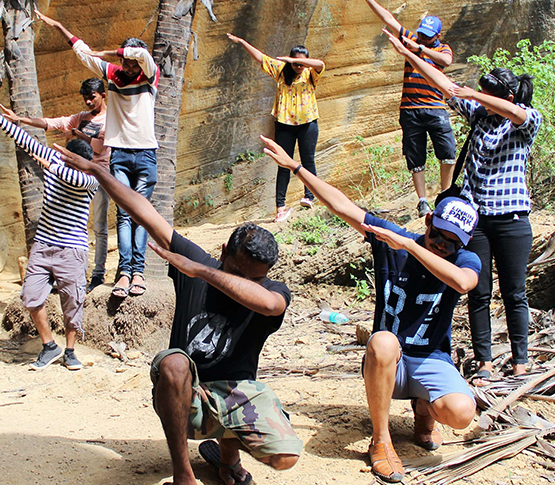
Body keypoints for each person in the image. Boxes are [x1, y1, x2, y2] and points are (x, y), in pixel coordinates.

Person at [53, 143, 302, 485]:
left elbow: (271, 306)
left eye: (252, 278)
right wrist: (99, 172)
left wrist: (202, 271)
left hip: (232, 395)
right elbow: (144, 211)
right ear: (224, 250)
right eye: (235, 270)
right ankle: (183, 474)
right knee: (174, 363)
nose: (239, 283)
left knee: (284, 457)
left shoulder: (270, 291)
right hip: (185, 393)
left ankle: (227, 459)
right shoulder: (195, 259)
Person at [262, 135, 480, 483]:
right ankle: (381, 441)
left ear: (464, 244)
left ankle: (424, 411)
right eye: (437, 235)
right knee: (382, 341)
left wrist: (411, 245)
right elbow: (343, 206)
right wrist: (297, 168)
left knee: (460, 412)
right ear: (428, 223)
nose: (441, 246)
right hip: (386, 361)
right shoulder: (393, 240)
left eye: (452, 243)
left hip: (430, 358)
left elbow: (464, 283)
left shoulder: (461, 259)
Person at [382, 29, 542, 385]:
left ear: (508, 96)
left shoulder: (527, 120)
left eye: (489, 96)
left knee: (515, 292)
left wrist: (475, 94)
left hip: (513, 220)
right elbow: (444, 84)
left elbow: (516, 114)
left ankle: (521, 360)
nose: (482, 100)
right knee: (479, 292)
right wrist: (411, 56)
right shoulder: (481, 116)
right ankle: (483, 361)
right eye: (481, 96)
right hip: (477, 223)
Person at [37, 10, 158, 299]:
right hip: (119, 155)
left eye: (132, 61)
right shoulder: (113, 75)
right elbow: (82, 53)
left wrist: (111, 50)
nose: (128, 66)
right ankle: (125, 273)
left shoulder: (150, 75)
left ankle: (138, 272)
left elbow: (144, 57)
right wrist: (59, 25)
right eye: (124, 62)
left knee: (140, 215)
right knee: (125, 216)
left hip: (146, 155)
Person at [0, 101, 98, 371]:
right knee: (31, 297)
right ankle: (49, 346)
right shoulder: (55, 160)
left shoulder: (90, 179)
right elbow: (24, 140)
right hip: (43, 246)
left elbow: (75, 180)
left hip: (72, 251)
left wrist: (54, 166)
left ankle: (70, 350)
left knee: (72, 303)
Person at [0, 78, 111, 293]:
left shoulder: (110, 119)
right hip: (70, 176)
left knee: (100, 228)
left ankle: (98, 274)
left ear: (103, 95)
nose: (88, 102)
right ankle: (64, 273)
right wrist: (21, 119)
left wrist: (79, 136)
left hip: (96, 178)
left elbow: (101, 147)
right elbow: (53, 123)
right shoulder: (80, 118)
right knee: (71, 227)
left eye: (92, 98)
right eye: (85, 98)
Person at [363, 0, 457, 218]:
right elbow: (388, 19)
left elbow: (446, 61)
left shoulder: (441, 48)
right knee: (415, 157)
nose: (422, 38)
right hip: (410, 109)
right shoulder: (411, 39)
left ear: (437, 36)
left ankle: (445, 195)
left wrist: (420, 49)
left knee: (448, 152)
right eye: (421, 34)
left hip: (435, 107)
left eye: (427, 36)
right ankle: (422, 201)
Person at [227, 34, 325, 221]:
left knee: (308, 161)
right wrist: (242, 42)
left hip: (308, 123)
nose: (298, 67)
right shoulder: (281, 70)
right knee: (283, 165)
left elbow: (320, 63)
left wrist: (294, 60)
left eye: (301, 63)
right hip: (284, 124)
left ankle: (309, 197)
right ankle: (281, 208)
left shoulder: (310, 72)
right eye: (295, 63)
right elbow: (260, 57)